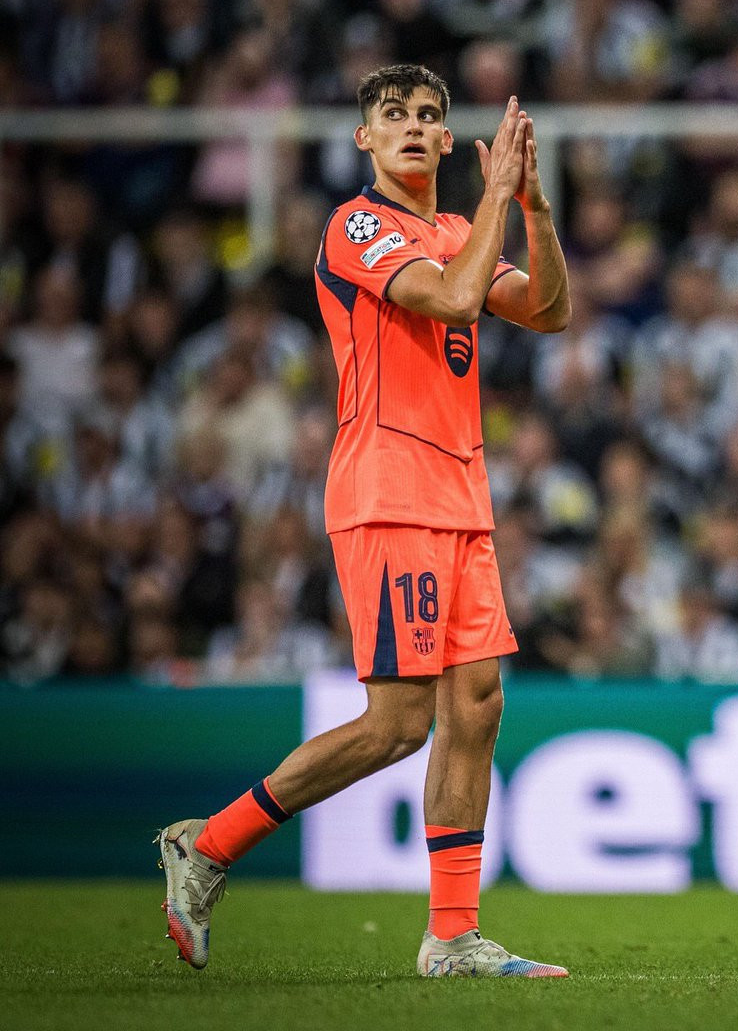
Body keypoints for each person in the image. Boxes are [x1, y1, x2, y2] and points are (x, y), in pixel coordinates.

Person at [157, 64, 571, 979]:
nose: (414, 127)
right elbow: (453, 298)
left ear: (448, 138)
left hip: (461, 497)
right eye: (394, 115)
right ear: (366, 140)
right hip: (389, 492)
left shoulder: (460, 230)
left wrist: (532, 206)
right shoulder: (356, 227)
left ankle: (452, 938)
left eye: (428, 115)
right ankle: (208, 845)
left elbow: (547, 310)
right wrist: (496, 198)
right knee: (397, 723)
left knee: (477, 705)